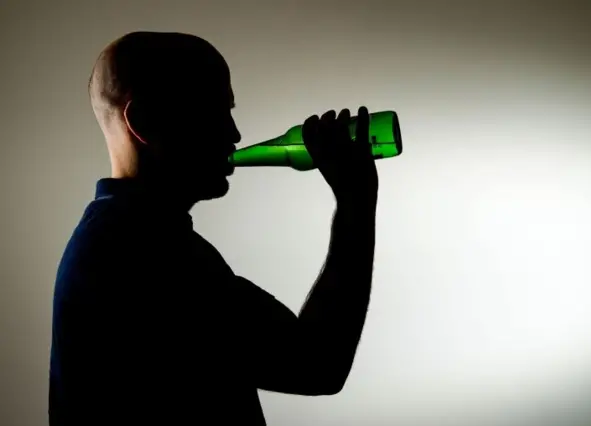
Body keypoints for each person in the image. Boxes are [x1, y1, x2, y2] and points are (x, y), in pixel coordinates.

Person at [49, 31, 378, 426]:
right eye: (213, 111)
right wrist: (356, 203)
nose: (234, 134)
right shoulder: (142, 252)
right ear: (144, 122)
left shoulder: (118, 236)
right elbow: (315, 364)